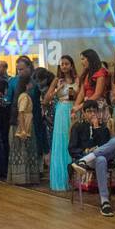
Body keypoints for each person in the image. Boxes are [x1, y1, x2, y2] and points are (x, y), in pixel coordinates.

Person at [69, 101, 115, 217]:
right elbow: (72, 148)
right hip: (88, 159)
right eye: (89, 111)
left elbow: (105, 145)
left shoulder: (103, 127)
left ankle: (85, 160)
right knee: (101, 159)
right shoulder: (78, 127)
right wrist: (86, 152)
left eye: (94, 111)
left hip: (94, 158)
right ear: (83, 113)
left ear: (98, 112)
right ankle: (105, 201)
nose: (92, 114)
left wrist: (97, 127)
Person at [6, 66, 41, 185]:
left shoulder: (21, 96)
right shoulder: (24, 96)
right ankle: (23, 178)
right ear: (27, 85)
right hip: (24, 125)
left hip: (24, 124)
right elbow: (21, 112)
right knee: (24, 151)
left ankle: (24, 177)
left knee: (24, 151)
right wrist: (24, 129)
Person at [47, 56, 77, 190]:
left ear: (71, 65)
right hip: (61, 109)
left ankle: (76, 179)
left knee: (73, 139)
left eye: (66, 64)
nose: (64, 66)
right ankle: (62, 179)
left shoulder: (77, 79)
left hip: (74, 109)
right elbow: (47, 98)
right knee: (62, 141)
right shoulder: (57, 80)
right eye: (62, 64)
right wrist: (57, 90)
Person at [73, 49, 110, 121]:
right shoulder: (86, 73)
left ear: (90, 58)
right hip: (86, 105)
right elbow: (81, 93)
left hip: (97, 105)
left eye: (83, 59)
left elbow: (97, 94)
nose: (81, 62)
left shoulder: (100, 72)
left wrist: (80, 106)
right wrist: (75, 107)